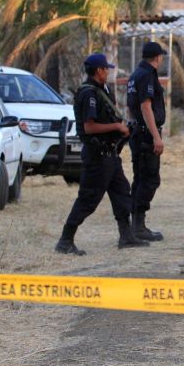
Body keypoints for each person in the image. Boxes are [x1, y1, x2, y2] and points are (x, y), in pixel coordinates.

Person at [55, 54, 149, 255]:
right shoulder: (88, 94)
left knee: (122, 193)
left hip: (110, 154)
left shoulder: (99, 91)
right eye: (106, 69)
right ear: (99, 71)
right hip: (98, 156)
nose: (108, 72)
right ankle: (65, 240)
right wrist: (116, 126)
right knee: (88, 199)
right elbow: (89, 128)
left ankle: (126, 237)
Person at [126, 41, 167, 241]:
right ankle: (138, 226)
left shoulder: (135, 75)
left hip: (137, 133)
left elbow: (131, 108)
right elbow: (145, 106)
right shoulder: (148, 75)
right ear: (157, 57)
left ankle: (136, 224)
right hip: (145, 135)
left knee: (140, 179)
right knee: (149, 180)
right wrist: (156, 137)